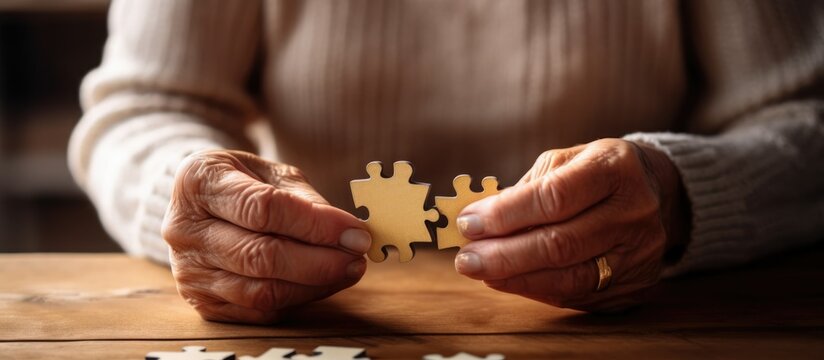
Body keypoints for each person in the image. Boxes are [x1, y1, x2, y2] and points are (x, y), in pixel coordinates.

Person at [69, 0, 824, 324]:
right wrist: (193, 195)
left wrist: (682, 191)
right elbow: (140, 109)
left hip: (640, 326)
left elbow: (805, 124)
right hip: (323, 315)